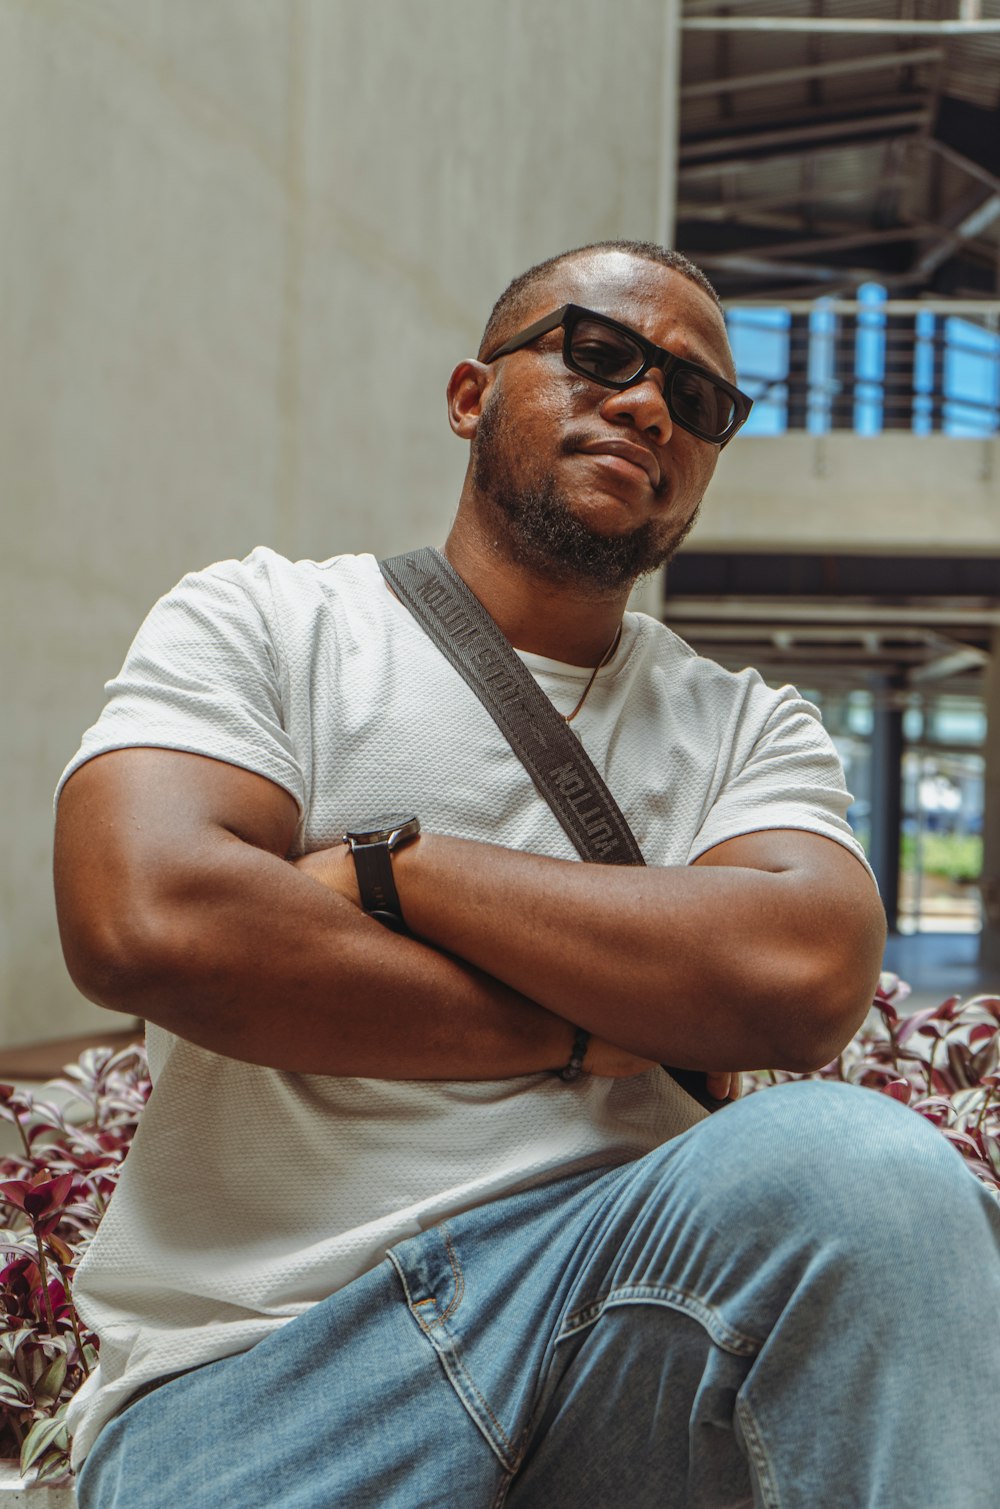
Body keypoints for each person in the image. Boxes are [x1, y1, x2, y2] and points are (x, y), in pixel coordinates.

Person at [54, 241, 1000, 1508]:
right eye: (598, 354)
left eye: (698, 400)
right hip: (267, 1376)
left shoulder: (745, 727)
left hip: (619, 1335)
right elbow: (147, 914)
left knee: (863, 1174)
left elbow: (802, 972)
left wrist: (399, 869)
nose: (649, 404)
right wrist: (576, 1031)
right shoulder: (271, 622)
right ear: (470, 395)